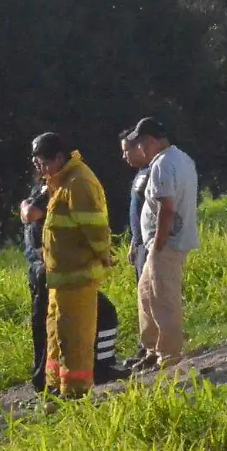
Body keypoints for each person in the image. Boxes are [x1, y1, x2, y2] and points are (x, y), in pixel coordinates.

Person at [22, 180, 125, 392]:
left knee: (48, 326)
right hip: (53, 272)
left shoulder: (39, 197)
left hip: (45, 271)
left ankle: (44, 377)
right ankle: (101, 367)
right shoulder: (49, 195)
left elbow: (28, 212)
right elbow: (32, 215)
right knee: (98, 315)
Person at [33, 132, 111, 398]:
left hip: (77, 279)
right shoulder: (62, 181)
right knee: (58, 338)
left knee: (75, 341)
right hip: (61, 281)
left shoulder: (78, 183)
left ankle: (76, 395)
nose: (39, 168)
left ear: (58, 158)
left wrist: (105, 256)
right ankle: (55, 389)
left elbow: (95, 229)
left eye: (42, 162)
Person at [122, 118, 198, 372]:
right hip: (163, 241)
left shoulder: (162, 166)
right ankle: (152, 349)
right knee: (146, 295)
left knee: (163, 297)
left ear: (152, 142)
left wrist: (157, 245)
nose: (140, 150)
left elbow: (167, 208)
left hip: (165, 242)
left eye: (141, 144)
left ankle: (169, 354)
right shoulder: (182, 159)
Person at [121, 131, 152, 277]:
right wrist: (134, 242)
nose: (124, 156)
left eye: (126, 151)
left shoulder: (155, 171)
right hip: (140, 244)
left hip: (151, 244)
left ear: (139, 148)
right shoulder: (140, 173)